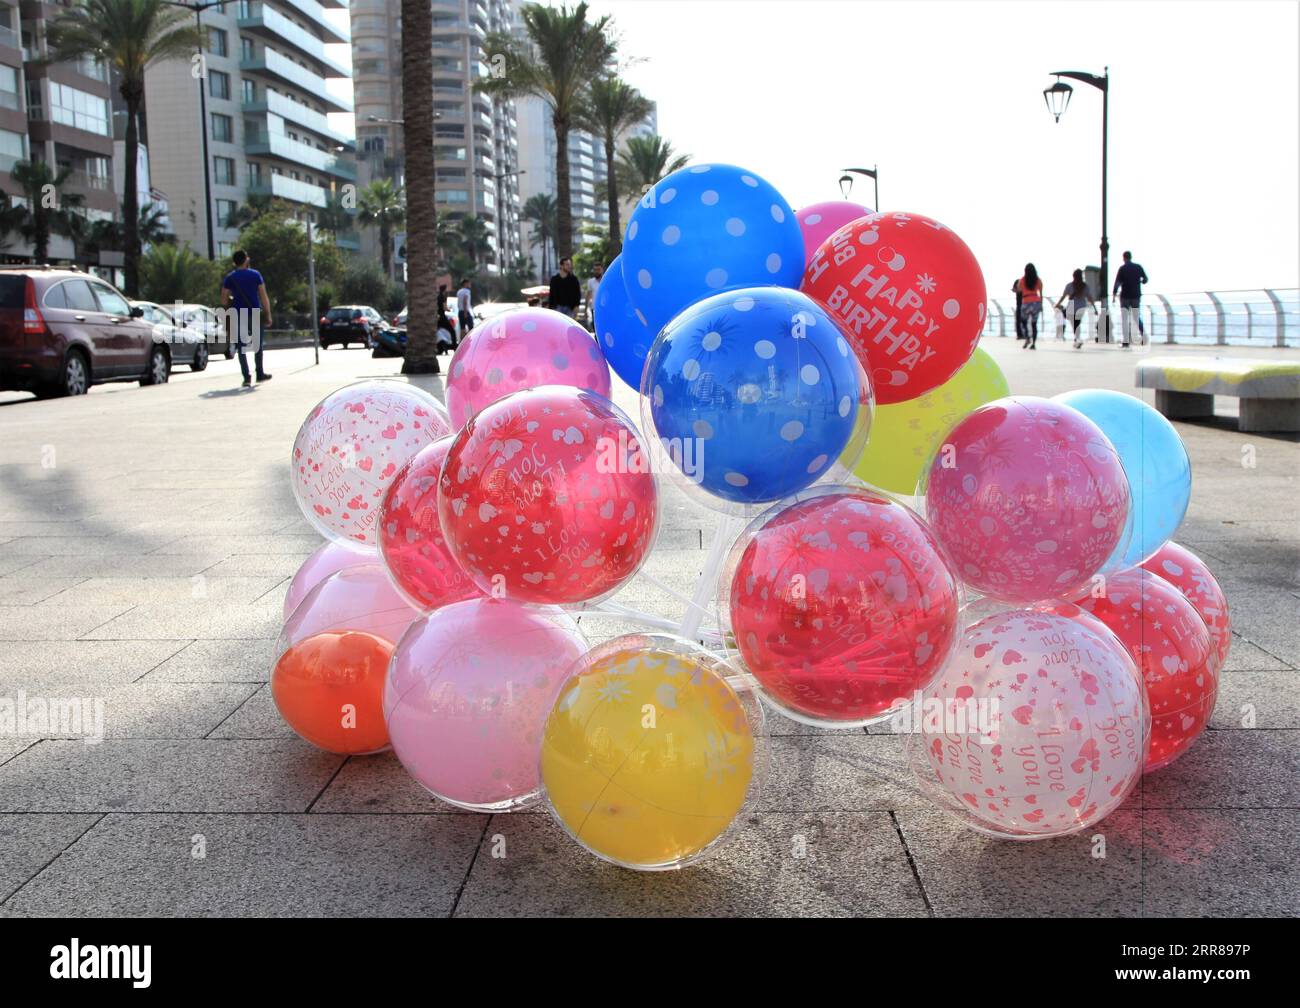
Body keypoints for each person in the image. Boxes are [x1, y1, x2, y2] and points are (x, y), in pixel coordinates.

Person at [220, 249, 272, 388]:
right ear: (246, 260)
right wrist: (267, 314)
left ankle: (246, 377)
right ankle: (260, 374)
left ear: (234, 262)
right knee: (257, 345)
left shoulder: (230, 278)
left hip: (238, 314)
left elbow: (223, 300)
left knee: (241, 347)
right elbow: (263, 296)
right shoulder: (255, 275)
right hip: (254, 312)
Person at [1112, 251, 1149, 348]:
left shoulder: (1122, 269)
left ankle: (1126, 341)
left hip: (1125, 296)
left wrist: (1114, 294)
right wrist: (1139, 281)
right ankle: (1144, 337)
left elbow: (1117, 283)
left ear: (1124, 258)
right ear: (1131, 257)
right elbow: (1145, 279)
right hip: (1136, 295)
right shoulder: (1138, 267)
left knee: (1125, 318)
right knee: (1136, 317)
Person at [1055, 268, 1093, 349]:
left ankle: (1077, 340)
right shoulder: (1085, 286)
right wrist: (1095, 308)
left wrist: (1058, 304)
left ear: (1073, 276)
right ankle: (1077, 339)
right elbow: (1089, 297)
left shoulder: (1069, 286)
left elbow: (1063, 296)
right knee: (1076, 324)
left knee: (1074, 323)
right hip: (1081, 307)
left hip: (1072, 307)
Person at [1014, 263, 1043, 349]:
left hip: (1026, 302)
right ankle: (1033, 343)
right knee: (1034, 324)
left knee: (1024, 322)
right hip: (1036, 302)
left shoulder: (1023, 280)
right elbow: (1041, 294)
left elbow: (1018, 290)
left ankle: (1027, 337)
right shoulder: (1038, 280)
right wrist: (1041, 305)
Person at [435, 284, 455, 354]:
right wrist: (450, 310)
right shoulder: (443, 297)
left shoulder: (437, 296)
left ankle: (441, 347)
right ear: (444, 290)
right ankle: (455, 347)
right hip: (442, 317)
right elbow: (445, 308)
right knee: (452, 331)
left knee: (436, 333)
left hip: (437, 317)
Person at [585, 263, 604, 328]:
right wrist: (585, 309)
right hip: (594, 308)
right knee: (596, 327)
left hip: (605, 308)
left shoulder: (605, 280)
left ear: (602, 270)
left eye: (598, 269)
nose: (596, 271)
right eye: (595, 270)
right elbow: (588, 295)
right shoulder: (590, 282)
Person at [1012, 275, 1027, 344]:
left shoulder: (1024, 283)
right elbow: (1014, 290)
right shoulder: (1018, 282)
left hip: (1023, 304)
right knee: (1019, 320)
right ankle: (1020, 335)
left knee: (1023, 320)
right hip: (1020, 304)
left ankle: (1023, 334)